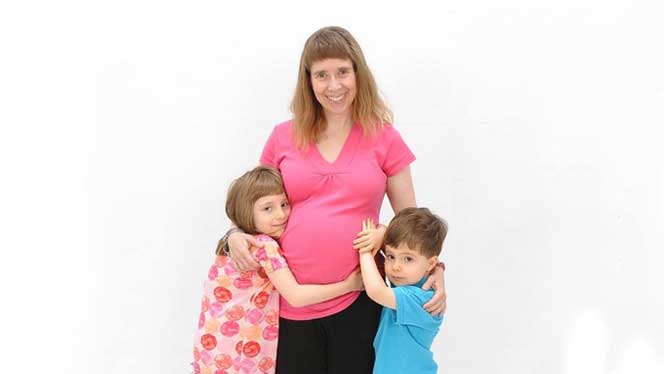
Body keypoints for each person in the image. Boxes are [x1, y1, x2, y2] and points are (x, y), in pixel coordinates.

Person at [226, 26, 447, 373]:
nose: (334, 86)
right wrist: (234, 235)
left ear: (357, 72)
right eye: (322, 75)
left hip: (359, 298)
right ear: (308, 80)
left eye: (343, 72)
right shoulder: (282, 137)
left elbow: (411, 222)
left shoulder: (384, 137)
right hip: (289, 303)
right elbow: (253, 207)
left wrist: (437, 269)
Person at [192, 166, 363, 374]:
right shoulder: (264, 247)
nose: (281, 214)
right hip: (242, 348)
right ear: (245, 212)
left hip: (212, 343)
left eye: (284, 204)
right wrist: (349, 285)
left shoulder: (230, 242)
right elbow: (296, 296)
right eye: (268, 208)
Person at [356, 208, 447, 374]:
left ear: (431, 263)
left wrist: (365, 252)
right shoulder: (406, 283)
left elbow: (376, 291)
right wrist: (381, 235)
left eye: (408, 259)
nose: (396, 267)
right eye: (391, 257)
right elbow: (395, 244)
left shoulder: (422, 297)